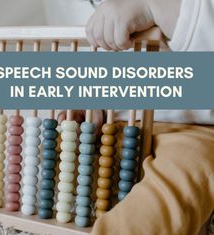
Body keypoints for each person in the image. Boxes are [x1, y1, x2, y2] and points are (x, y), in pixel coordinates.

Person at [58, 0, 214, 234]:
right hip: (114, 123)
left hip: (190, 126)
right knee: (56, 157)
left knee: (178, 182)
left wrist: (154, 8)